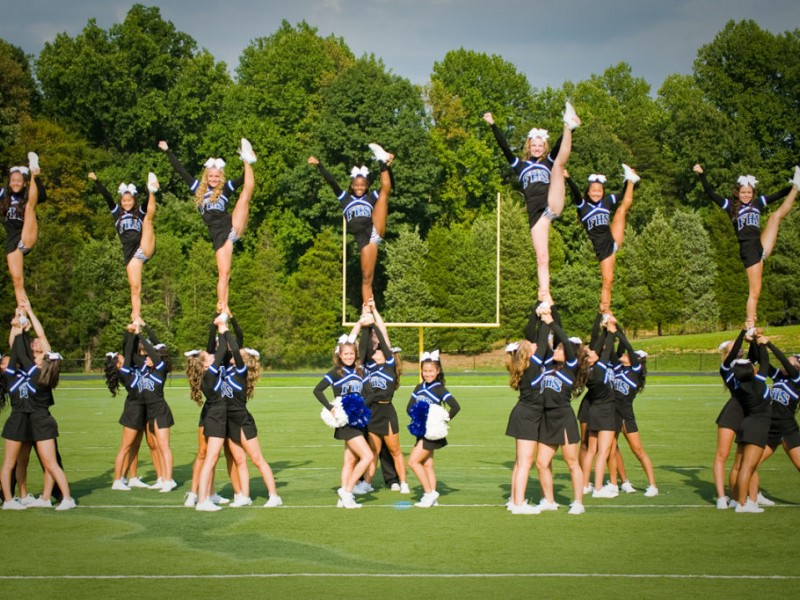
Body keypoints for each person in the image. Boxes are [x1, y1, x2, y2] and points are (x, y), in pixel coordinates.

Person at [483, 103, 580, 306]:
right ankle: (544, 293)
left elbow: (558, 148)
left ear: (544, 147)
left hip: (550, 203)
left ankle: (568, 126)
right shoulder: (520, 166)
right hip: (537, 216)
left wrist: (568, 132)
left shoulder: (547, 162)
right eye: (534, 145)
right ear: (529, 146)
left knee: (559, 162)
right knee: (542, 258)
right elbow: (504, 147)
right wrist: (493, 125)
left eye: (540, 145)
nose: (537, 148)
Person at [694, 163, 799, 326]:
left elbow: (777, 195)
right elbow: (710, 193)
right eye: (743, 192)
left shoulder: (757, 203)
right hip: (748, 251)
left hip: (760, 244)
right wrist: (702, 175)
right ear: (738, 192)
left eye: (749, 192)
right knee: (755, 291)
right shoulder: (730, 207)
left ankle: (796, 187)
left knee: (775, 217)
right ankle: (750, 323)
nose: (746, 195)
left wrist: (790, 187)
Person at [158, 139, 256, 313]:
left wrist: (248, 166)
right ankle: (223, 306)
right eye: (211, 176)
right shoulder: (198, 189)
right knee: (224, 274)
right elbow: (180, 170)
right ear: (206, 176)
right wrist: (168, 151)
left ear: (221, 176)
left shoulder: (226, 188)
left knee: (245, 196)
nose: (213, 179)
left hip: (231, 224)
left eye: (217, 176)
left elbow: (243, 180)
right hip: (219, 237)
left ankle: (247, 159)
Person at [1, 307, 75, 510]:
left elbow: (36, 337)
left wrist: (28, 317)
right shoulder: (29, 361)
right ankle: (23, 495)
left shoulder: (41, 365)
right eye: (32, 341)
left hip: (40, 415)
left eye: (39, 344)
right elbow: (14, 345)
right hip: (24, 417)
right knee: (21, 460)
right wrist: (18, 322)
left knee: (49, 461)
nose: (36, 342)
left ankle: (47, 496)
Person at [308, 143, 394, 312]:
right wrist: (319, 165)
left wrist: (388, 169)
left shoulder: (370, 198)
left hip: (373, 227)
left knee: (384, 193)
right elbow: (332, 182)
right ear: (352, 185)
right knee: (367, 278)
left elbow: (390, 185)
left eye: (363, 185)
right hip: (363, 239)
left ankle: (382, 162)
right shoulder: (345, 199)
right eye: (357, 185)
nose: (360, 187)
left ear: (367, 185)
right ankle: (367, 311)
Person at [219, 319, 281, 509]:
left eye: (239, 353)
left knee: (257, 459)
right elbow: (227, 347)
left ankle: (274, 496)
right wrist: (223, 323)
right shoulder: (227, 368)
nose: (234, 352)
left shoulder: (240, 371)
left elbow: (235, 348)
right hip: (228, 420)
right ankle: (244, 496)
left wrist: (225, 331)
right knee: (239, 460)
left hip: (241, 420)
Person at [313, 319, 373, 509]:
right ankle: (347, 491)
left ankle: (343, 499)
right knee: (368, 457)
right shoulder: (335, 372)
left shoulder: (359, 371)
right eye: (345, 353)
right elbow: (317, 390)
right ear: (339, 355)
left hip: (356, 420)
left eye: (351, 353)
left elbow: (370, 392)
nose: (348, 356)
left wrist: (362, 406)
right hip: (345, 421)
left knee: (350, 459)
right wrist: (331, 407)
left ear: (355, 354)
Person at [535, 309, 589, 515]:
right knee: (541, 463)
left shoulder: (571, 368)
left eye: (559, 348)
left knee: (571, 462)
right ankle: (549, 500)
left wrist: (552, 321)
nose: (556, 349)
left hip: (563, 417)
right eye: (556, 347)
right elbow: (544, 340)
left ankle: (578, 502)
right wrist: (544, 316)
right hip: (547, 418)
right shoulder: (549, 365)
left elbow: (565, 341)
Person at [566, 165, 639, 313]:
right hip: (604, 251)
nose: (597, 193)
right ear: (588, 191)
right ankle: (605, 308)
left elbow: (623, 195)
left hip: (613, 239)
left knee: (621, 209)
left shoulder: (606, 201)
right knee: (608, 280)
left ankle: (631, 179)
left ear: (603, 192)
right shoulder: (583, 207)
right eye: (593, 191)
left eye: (599, 191)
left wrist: (627, 183)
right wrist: (568, 179)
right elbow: (575, 194)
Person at [88, 171, 159, 323]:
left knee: (148, 220)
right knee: (134, 288)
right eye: (124, 200)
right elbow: (107, 196)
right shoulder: (117, 214)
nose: (127, 203)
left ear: (134, 200)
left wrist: (150, 194)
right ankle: (136, 315)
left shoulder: (138, 213)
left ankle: (152, 191)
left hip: (144, 246)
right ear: (121, 201)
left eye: (129, 200)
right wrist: (97, 181)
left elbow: (146, 206)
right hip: (131, 256)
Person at [356, 303, 409, 494]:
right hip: (371, 410)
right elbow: (362, 348)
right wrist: (366, 321)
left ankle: (401, 482)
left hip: (386, 411)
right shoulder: (368, 366)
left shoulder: (389, 365)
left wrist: (374, 320)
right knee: (372, 452)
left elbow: (385, 341)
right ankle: (366, 483)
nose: (377, 349)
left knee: (394, 450)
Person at [105, 325, 163, 490]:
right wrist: (130, 333)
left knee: (135, 446)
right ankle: (117, 480)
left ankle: (133, 477)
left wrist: (137, 330)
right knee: (125, 447)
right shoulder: (124, 369)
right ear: (118, 364)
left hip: (142, 409)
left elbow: (131, 350)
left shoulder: (129, 366)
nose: (122, 355)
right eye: (119, 356)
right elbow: (129, 348)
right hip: (133, 410)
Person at [721, 327, 771, 513]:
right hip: (756, 425)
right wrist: (761, 341)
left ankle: (739, 500)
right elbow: (764, 361)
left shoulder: (739, 380)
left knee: (740, 465)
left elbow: (760, 362)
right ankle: (744, 503)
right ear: (751, 370)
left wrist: (749, 337)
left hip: (745, 424)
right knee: (748, 468)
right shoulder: (757, 382)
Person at [504, 311, 549, 515]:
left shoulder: (527, 365)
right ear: (528, 353)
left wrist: (535, 312)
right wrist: (545, 315)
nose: (536, 345)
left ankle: (515, 500)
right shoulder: (532, 366)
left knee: (520, 462)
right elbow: (542, 336)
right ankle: (519, 504)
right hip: (527, 416)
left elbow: (537, 338)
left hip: (524, 414)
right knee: (525, 463)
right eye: (532, 346)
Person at [746, 343, 800, 504]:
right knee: (752, 464)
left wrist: (768, 343)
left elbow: (782, 360)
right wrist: (756, 341)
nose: (784, 365)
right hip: (771, 428)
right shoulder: (779, 376)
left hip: (788, 429)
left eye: (790, 363)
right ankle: (756, 495)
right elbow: (764, 362)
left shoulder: (797, 380)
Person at [607, 326, 658, 497]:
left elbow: (627, 345)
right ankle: (615, 483)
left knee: (638, 450)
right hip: (613, 412)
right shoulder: (619, 368)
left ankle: (652, 485)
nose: (625, 354)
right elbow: (617, 347)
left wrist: (618, 331)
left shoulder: (635, 371)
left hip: (626, 415)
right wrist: (613, 329)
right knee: (611, 449)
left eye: (629, 354)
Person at [406, 351, 461, 508]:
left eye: (431, 371)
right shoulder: (418, 387)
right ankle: (432, 496)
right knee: (427, 464)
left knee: (413, 462)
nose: (427, 374)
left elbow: (456, 407)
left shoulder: (439, 389)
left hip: (431, 433)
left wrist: (442, 421)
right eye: (425, 371)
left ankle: (429, 493)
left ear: (437, 371)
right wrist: (417, 418)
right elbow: (409, 408)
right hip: (421, 431)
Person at [579, 313, 619, 498]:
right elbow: (607, 348)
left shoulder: (588, 370)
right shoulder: (599, 368)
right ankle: (598, 489)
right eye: (592, 352)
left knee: (591, 450)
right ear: (590, 359)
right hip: (606, 411)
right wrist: (611, 332)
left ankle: (585, 485)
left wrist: (604, 328)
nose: (595, 351)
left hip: (594, 411)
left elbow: (599, 349)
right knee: (603, 452)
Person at [137, 320, 177, 492]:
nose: (146, 358)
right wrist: (140, 328)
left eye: (149, 356)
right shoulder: (147, 369)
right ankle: (162, 477)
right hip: (150, 412)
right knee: (156, 446)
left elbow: (152, 349)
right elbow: (142, 349)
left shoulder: (160, 369)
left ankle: (169, 480)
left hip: (160, 411)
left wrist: (140, 332)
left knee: (163, 446)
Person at [1, 153, 45, 305]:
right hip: (12, 241)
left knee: (29, 207)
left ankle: (33, 169)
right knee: (17, 281)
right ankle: (23, 309)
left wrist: (36, 178)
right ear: (9, 183)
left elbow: (42, 196)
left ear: (25, 183)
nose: (16, 183)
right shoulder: (4, 197)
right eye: (13, 181)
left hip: (27, 234)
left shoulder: (26, 195)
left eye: (19, 181)